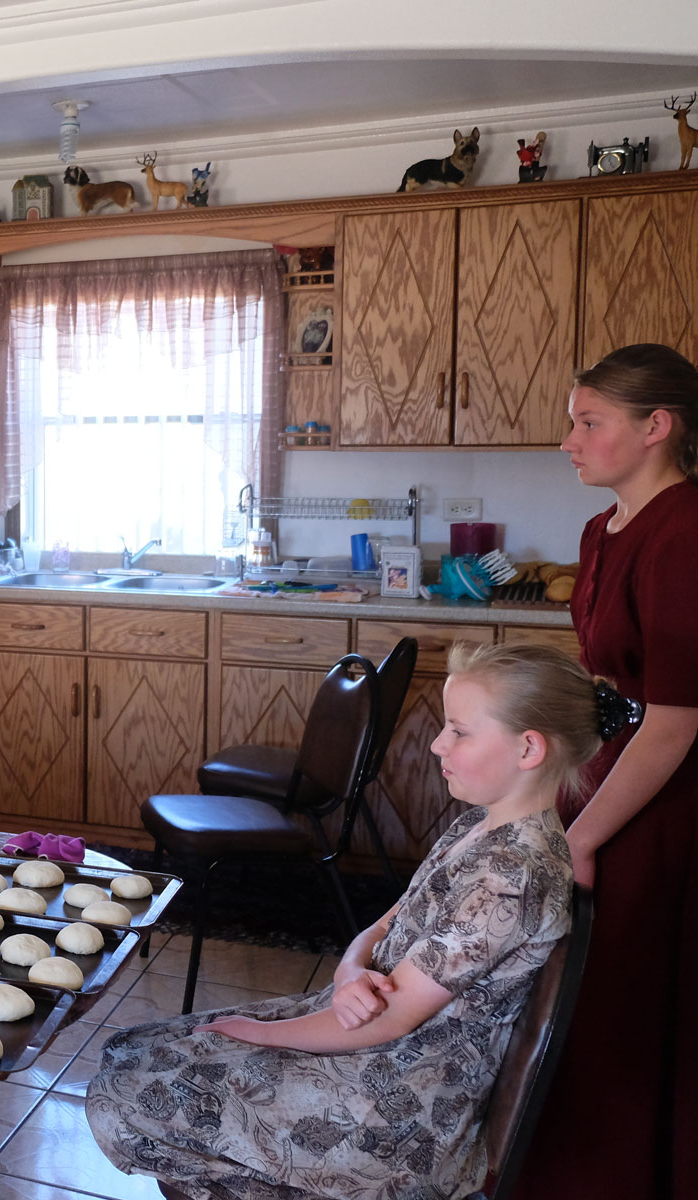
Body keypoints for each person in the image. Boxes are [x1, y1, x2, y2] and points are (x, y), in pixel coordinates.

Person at [86, 642, 610, 1200]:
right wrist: (349, 971)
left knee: (123, 1098)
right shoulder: (480, 828)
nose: (437, 745)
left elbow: (389, 1023)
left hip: (397, 1105)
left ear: (528, 748)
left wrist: (262, 1035)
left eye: (459, 731)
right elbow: (384, 924)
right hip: (371, 1038)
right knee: (129, 1050)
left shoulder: (512, 876)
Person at [514, 343, 698, 1200]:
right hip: (607, 772)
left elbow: (674, 720)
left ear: (656, 427)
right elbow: (606, 687)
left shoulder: (686, 530)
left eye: (589, 423)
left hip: (663, 801)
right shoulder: (602, 530)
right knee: (575, 990)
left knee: (624, 990)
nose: (570, 441)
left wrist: (581, 836)